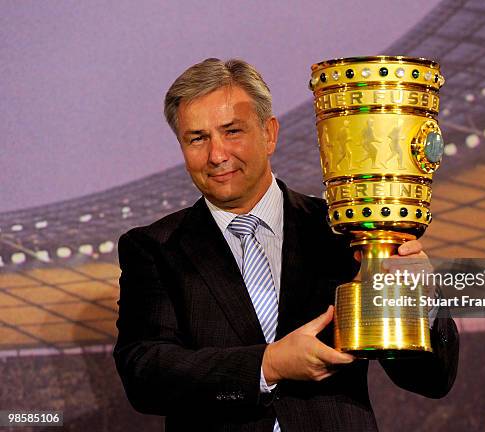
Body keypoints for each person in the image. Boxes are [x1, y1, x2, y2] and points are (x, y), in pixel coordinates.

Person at [113, 58, 459, 432]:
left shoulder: (344, 231)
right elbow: (145, 374)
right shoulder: (153, 248)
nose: (216, 155)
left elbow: (431, 380)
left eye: (232, 131)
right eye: (197, 138)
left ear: (269, 133)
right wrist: (269, 364)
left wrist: (418, 302)